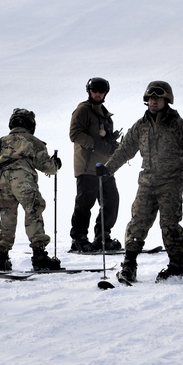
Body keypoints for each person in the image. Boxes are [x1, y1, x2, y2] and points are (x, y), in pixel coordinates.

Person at [101, 81, 183, 283]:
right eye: (150, 98)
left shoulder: (177, 124)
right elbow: (125, 150)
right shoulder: (141, 126)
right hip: (147, 181)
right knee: (138, 221)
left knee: (169, 223)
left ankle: (176, 266)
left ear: (167, 100)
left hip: (171, 181)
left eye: (157, 98)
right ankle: (129, 264)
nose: (153, 101)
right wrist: (107, 169)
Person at [0, 108, 63, 272]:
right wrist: (57, 164)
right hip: (22, 179)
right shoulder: (33, 141)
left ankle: (1, 258)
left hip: (2, 181)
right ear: (30, 124)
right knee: (33, 211)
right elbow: (48, 167)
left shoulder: (2, 141)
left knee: (7, 218)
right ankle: (39, 256)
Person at [69, 77, 122, 253]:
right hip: (87, 165)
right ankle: (79, 238)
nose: (97, 94)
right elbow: (75, 134)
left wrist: (112, 146)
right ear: (89, 91)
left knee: (111, 200)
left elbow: (104, 139)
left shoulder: (105, 113)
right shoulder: (83, 110)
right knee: (85, 202)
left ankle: (102, 236)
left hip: (104, 166)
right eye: (94, 91)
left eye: (101, 91)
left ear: (105, 93)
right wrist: (98, 144)